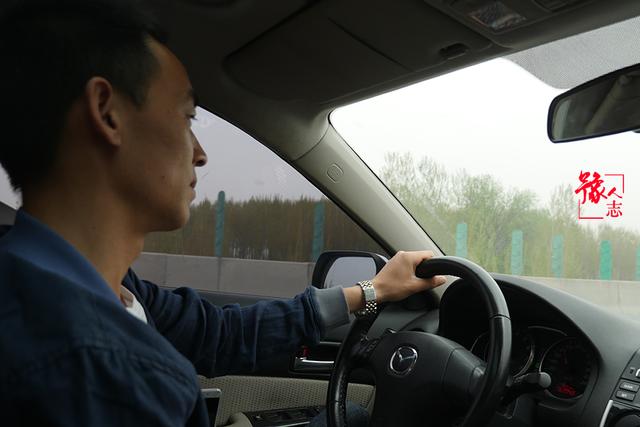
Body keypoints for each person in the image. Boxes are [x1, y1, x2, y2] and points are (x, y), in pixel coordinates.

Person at [0, 0, 446, 425]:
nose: (201, 154)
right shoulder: (103, 373)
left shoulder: (105, 290)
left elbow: (219, 334)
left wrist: (372, 290)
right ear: (107, 112)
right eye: (186, 118)